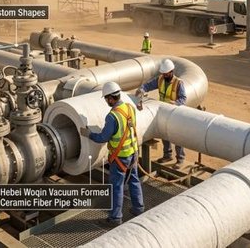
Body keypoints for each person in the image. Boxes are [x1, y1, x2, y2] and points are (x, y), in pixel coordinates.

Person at [80, 82, 144, 226]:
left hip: (120, 157)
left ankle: (115, 218)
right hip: (133, 153)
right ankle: (138, 209)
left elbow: (103, 137)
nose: (106, 102)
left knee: (117, 186)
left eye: (106, 99)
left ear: (110, 98)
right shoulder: (129, 107)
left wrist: (89, 134)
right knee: (134, 180)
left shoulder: (112, 116)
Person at [136, 58, 187, 167]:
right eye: (163, 73)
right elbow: (147, 85)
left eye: (166, 73)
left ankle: (180, 159)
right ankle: (167, 155)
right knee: (164, 134)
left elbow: (183, 98)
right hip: (164, 111)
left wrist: (176, 103)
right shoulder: (160, 80)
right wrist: (142, 89)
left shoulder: (179, 83)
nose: (164, 75)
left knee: (177, 137)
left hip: (175, 113)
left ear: (171, 72)